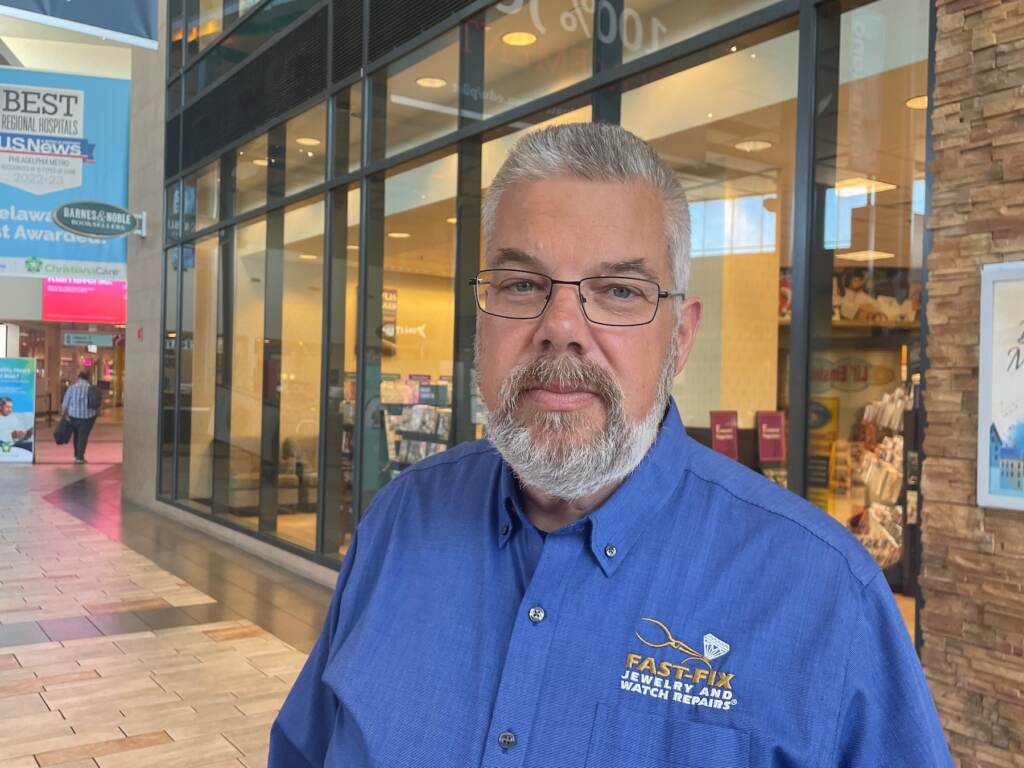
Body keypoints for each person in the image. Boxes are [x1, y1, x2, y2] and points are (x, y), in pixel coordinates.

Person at [270, 124, 950, 766]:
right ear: (481, 316)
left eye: (619, 291)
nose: (561, 326)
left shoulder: (823, 595)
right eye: (523, 284)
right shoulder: (399, 525)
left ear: (680, 337)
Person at [60, 371, 97, 464]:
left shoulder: (72, 388)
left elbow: (65, 403)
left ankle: (77, 455)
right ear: (87, 378)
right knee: (83, 436)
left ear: (79, 378)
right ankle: (80, 457)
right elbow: (95, 403)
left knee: (76, 436)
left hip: (74, 416)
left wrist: (63, 414)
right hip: (88, 417)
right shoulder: (91, 388)